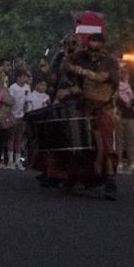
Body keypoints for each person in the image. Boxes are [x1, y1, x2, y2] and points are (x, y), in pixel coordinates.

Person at [31, 12, 121, 198]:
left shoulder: (110, 62)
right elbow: (61, 75)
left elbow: (101, 78)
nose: (93, 54)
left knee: (104, 144)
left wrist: (77, 71)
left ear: (103, 48)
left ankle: (110, 180)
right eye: (91, 49)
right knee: (74, 141)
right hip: (83, 105)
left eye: (97, 50)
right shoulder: (80, 56)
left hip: (103, 107)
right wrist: (61, 60)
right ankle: (69, 176)